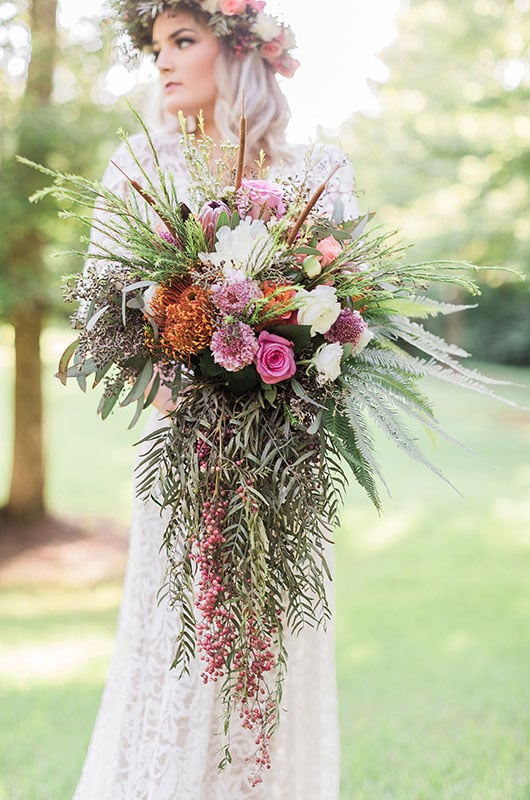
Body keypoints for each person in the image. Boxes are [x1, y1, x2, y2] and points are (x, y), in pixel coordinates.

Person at [72, 2, 359, 798]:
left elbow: (349, 311)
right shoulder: (139, 161)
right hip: (184, 451)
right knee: (180, 637)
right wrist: (175, 390)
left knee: (276, 646)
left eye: (183, 41)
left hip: (287, 457)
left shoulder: (318, 171)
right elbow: (100, 314)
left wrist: (295, 377)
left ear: (240, 53)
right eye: (157, 45)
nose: (162, 61)